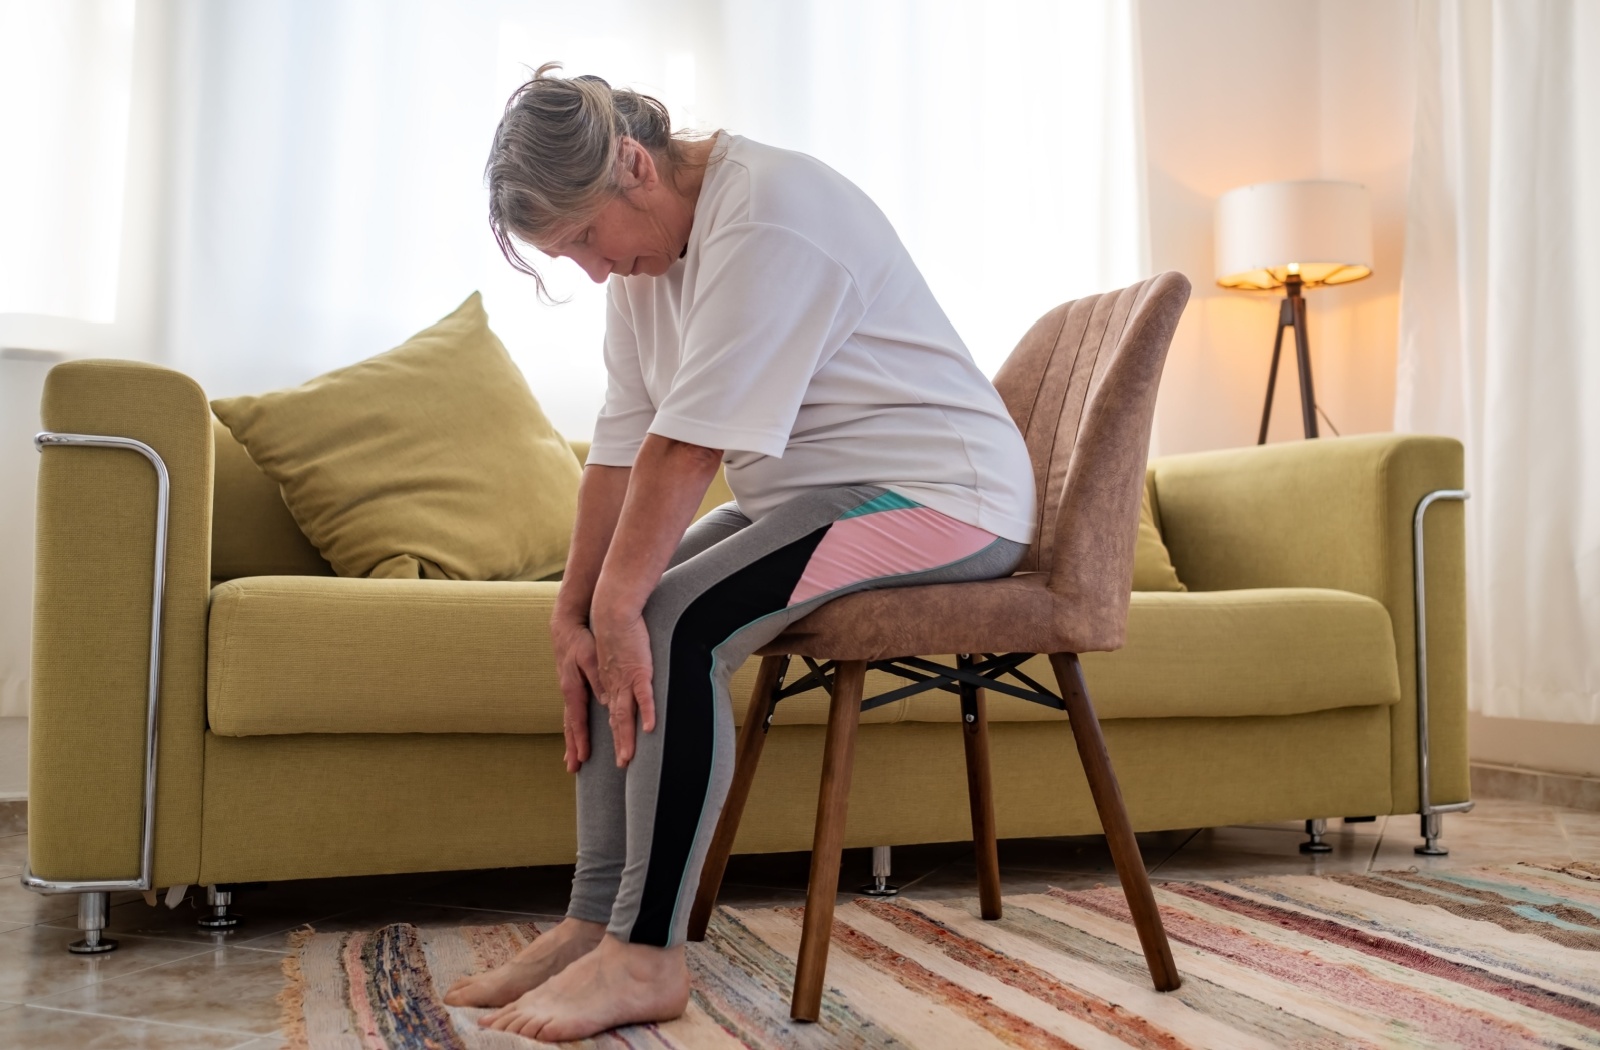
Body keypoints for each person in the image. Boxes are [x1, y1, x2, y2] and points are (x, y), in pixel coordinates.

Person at [444, 64, 1037, 1041]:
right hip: (820, 496)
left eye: (587, 238)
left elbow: (687, 451)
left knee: (670, 622)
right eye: (569, 255)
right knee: (608, 619)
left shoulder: (767, 213)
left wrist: (618, 603)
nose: (591, 269)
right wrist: (573, 607)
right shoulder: (646, 261)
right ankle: (596, 920)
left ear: (634, 165)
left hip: (948, 495)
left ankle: (646, 955)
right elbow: (623, 447)